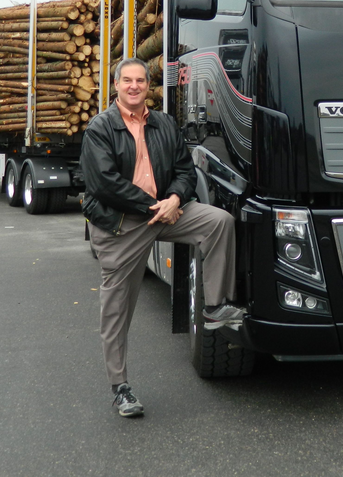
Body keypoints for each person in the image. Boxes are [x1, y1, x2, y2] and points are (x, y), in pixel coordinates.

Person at [80, 57, 245, 418]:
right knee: (117, 309)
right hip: (122, 223)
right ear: (116, 85)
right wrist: (153, 206)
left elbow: (185, 170)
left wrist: (174, 199)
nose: (134, 86)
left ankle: (215, 307)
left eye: (140, 80)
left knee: (219, 222)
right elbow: (103, 183)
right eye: (127, 81)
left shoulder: (164, 124)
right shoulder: (100, 128)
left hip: (163, 213)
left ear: (147, 86)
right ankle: (120, 387)